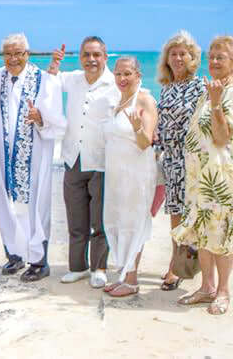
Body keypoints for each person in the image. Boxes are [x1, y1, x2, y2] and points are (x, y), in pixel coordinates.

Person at [172, 36, 233, 315]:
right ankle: (206, 287)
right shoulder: (209, 91)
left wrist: (217, 104)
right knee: (204, 233)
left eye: (221, 57)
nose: (214, 61)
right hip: (201, 180)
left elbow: (221, 137)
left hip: (224, 182)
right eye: (212, 56)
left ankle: (223, 291)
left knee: (224, 234)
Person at [0, 33, 65, 282]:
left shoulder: (44, 80)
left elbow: (58, 122)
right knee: (6, 205)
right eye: (8, 53)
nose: (13, 58)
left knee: (34, 207)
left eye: (18, 53)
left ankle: (39, 261)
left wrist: (40, 119)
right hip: (2, 153)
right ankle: (15, 254)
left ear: (27, 54)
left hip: (35, 155)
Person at [48, 37, 120, 288]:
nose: (91, 60)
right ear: (80, 57)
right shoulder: (73, 79)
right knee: (75, 218)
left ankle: (99, 267)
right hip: (72, 157)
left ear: (105, 57)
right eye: (87, 55)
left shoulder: (115, 84)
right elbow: (50, 84)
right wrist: (55, 64)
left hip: (101, 160)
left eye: (96, 55)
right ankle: (77, 267)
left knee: (99, 221)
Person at [102, 57, 158, 297]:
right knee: (116, 221)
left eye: (127, 74)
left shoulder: (145, 99)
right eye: (118, 74)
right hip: (116, 173)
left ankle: (133, 280)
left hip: (137, 173)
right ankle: (123, 273)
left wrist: (136, 127)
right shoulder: (118, 101)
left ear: (138, 75)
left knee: (133, 222)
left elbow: (147, 142)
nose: (122, 79)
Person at [154, 31, 204, 291]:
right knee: (175, 213)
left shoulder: (200, 87)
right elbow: (161, 127)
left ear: (192, 57)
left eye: (183, 53)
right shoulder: (165, 89)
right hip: (171, 159)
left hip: (193, 159)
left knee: (194, 214)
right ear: (167, 59)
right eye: (173, 54)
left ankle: (195, 265)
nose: (177, 58)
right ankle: (176, 264)